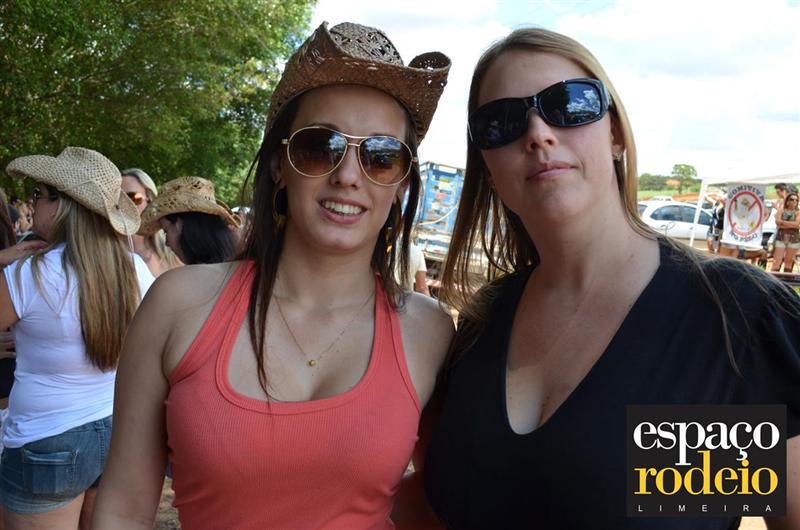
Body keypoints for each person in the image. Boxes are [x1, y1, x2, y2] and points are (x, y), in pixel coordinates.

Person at [422, 28, 799, 529]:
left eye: (570, 104)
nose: (538, 133)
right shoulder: (479, 324)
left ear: (616, 134)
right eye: (502, 122)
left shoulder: (735, 322)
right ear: (488, 167)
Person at [93, 21, 453, 529]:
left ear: (402, 184)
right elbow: (124, 508)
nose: (348, 175)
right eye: (320, 146)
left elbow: (441, 500)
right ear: (280, 165)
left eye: (381, 156)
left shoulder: (430, 330)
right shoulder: (178, 304)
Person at [0, 147, 154, 530]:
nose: (33, 203)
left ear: (62, 204)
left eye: (38, 194)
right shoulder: (134, 269)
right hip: (114, 430)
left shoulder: (28, 274)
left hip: (45, 442)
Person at [139, 176, 240, 265]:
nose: (167, 243)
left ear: (179, 224)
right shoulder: (238, 266)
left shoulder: (181, 277)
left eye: (166, 231)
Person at [120, 168, 181, 276]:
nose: (124, 206)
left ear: (150, 201)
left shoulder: (175, 252)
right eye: (118, 199)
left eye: (132, 197)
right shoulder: (102, 254)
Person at [771, 192, 800, 273]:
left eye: (796, 200)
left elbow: (797, 224)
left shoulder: (798, 212)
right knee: (776, 262)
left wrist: (783, 223)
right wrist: (792, 225)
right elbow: (777, 222)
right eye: (792, 199)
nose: (794, 201)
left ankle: (787, 280)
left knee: (789, 263)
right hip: (781, 237)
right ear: (787, 201)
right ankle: (773, 278)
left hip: (793, 238)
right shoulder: (781, 210)